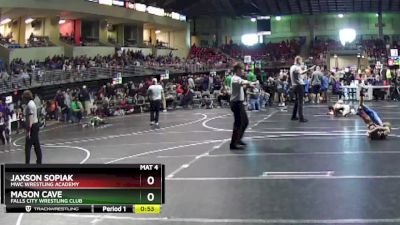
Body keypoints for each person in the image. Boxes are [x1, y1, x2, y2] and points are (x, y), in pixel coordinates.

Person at [230, 63, 255, 150]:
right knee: (238, 123)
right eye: (242, 69)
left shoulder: (238, 78)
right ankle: (233, 144)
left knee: (245, 122)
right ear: (237, 70)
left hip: (239, 103)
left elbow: (242, 86)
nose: (243, 71)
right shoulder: (235, 79)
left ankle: (238, 140)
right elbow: (242, 82)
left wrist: (249, 85)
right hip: (236, 103)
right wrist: (250, 82)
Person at [290, 56, 314, 123]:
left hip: (294, 85)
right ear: (298, 61)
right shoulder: (296, 67)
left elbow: (300, 76)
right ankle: (301, 118)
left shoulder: (292, 67)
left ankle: (294, 116)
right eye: (301, 61)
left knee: (297, 102)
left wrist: (304, 70)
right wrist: (308, 70)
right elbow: (301, 73)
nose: (302, 62)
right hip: (299, 86)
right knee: (300, 102)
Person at [23, 90, 42, 164]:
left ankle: (27, 164)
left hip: (32, 126)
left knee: (27, 148)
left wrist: (28, 131)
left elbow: (30, 119)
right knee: (37, 146)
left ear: (26, 97)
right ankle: (39, 162)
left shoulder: (29, 105)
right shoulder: (32, 103)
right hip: (35, 125)